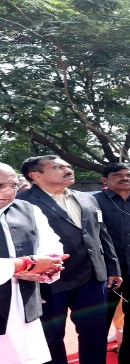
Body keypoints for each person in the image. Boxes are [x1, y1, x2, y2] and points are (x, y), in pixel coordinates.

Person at [17, 155, 122, 364]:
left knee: (94, 332)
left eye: (68, 166)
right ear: (35, 175)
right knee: (52, 336)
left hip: (93, 277)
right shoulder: (23, 203)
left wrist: (113, 267)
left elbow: (102, 234)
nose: (68, 170)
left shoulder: (87, 198)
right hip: (51, 280)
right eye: (58, 167)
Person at [0, 162, 67, 364]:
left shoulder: (28, 209)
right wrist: (22, 265)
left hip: (23, 306)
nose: (9, 192)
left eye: (13, 185)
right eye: (1, 185)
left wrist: (45, 270)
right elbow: (27, 263)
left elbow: (52, 246)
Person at [93, 163, 130, 364]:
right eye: (118, 175)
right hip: (105, 271)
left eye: (129, 174)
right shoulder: (92, 202)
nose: (125, 178)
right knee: (100, 320)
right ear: (105, 180)